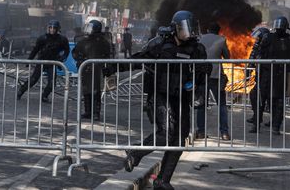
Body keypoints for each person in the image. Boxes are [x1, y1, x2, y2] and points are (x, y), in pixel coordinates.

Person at [104, 10, 210, 190]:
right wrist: (112, 67)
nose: (188, 33)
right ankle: (135, 152)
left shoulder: (197, 49)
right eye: (184, 29)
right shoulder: (160, 45)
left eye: (190, 29)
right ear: (175, 28)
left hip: (183, 97)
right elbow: (138, 60)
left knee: (178, 140)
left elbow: (203, 70)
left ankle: (163, 180)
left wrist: (198, 89)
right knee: (165, 134)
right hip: (161, 94)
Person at [260, 16, 290, 135]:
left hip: (282, 74)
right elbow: (261, 53)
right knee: (270, 99)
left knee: (279, 100)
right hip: (269, 73)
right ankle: (273, 121)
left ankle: (276, 125)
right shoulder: (269, 38)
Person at [17, 20, 70, 103]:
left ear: (58, 29)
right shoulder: (43, 38)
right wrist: (29, 60)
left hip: (52, 63)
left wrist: (62, 58)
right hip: (41, 61)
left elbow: (67, 50)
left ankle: (45, 96)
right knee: (33, 80)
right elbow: (35, 50)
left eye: (54, 28)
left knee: (52, 83)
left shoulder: (62, 39)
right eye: (50, 28)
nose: (52, 30)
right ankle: (21, 91)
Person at [196, 22, 230, 140]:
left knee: (201, 104)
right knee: (222, 105)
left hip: (202, 75)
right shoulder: (221, 40)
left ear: (208, 29)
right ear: (218, 31)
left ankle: (200, 132)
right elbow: (227, 57)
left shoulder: (200, 39)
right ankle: (224, 133)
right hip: (216, 76)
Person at [72, 20, 111, 120]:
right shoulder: (83, 41)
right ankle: (88, 111)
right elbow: (75, 52)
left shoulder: (102, 42)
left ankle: (96, 113)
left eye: (90, 27)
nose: (88, 30)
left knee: (95, 91)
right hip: (85, 69)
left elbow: (108, 54)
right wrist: (80, 59)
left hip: (97, 69)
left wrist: (106, 66)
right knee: (86, 90)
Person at [246, 26, 270, 133]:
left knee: (270, 100)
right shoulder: (259, 46)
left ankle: (273, 122)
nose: (257, 39)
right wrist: (248, 70)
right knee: (255, 96)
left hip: (271, 77)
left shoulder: (270, 46)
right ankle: (257, 117)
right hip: (261, 77)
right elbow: (252, 56)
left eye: (259, 38)